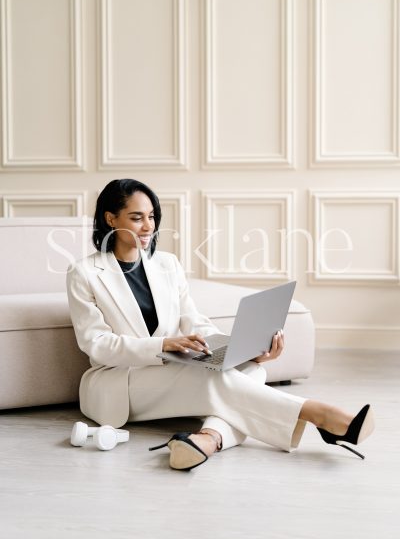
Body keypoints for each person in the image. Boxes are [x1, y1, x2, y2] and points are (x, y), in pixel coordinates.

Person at [66, 179, 375, 470]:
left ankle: (207, 440)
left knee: (254, 370)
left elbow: (194, 321)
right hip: (119, 383)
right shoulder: (84, 273)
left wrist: (240, 351)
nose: (148, 226)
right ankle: (318, 414)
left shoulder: (167, 264)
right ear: (110, 219)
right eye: (137, 218)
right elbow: (97, 345)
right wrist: (163, 345)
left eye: (152, 216)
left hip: (168, 371)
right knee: (219, 382)